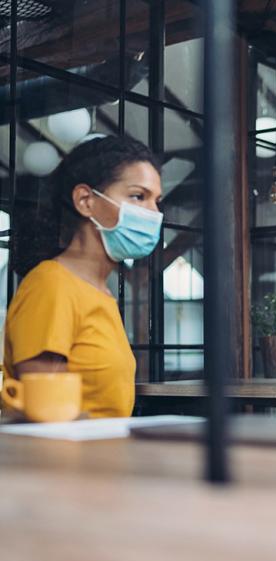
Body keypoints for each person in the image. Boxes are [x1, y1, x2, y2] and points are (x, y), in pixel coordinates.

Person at [3, 136, 163, 418]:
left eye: (157, 200)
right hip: (71, 461)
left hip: (108, 457)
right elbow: (48, 413)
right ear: (86, 201)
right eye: (138, 196)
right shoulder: (52, 285)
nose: (154, 213)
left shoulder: (100, 292)